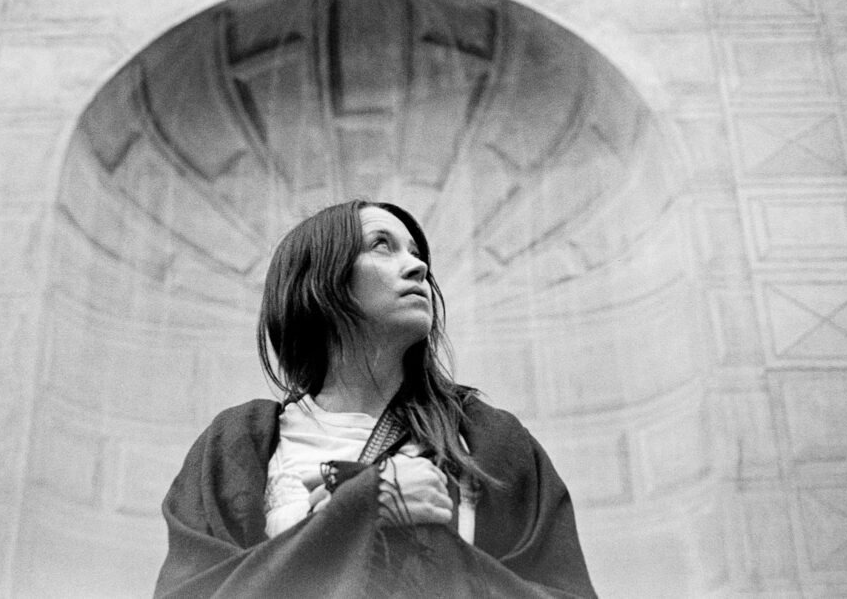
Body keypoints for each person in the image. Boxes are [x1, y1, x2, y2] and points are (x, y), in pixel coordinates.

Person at [154, 200, 597, 598]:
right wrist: (365, 506)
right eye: (382, 246)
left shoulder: (492, 442)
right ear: (319, 282)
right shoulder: (236, 443)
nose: (418, 267)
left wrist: (411, 536)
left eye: (417, 253)